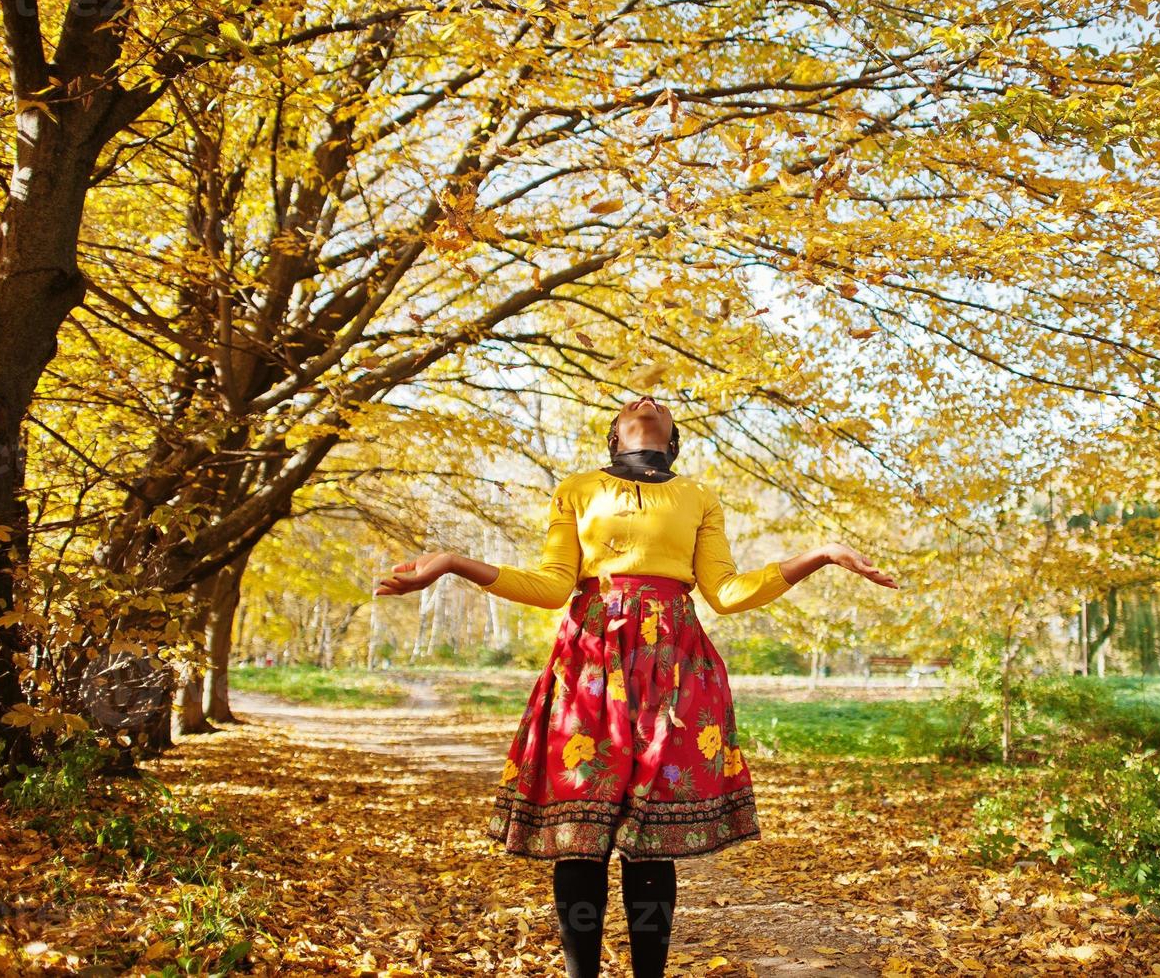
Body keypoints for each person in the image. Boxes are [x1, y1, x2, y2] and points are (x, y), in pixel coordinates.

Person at [376, 395, 898, 978]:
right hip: (591, 662)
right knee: (581, 831)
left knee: (651, 839)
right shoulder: (578, 489)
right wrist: (450, 562)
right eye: (630, 402)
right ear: (613, 436)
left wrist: (821, 555)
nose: (645, 399)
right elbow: (551, 586)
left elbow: (725, 592)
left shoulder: (698, 495)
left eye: (659, 405)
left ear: (671, 439)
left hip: (674, 665)